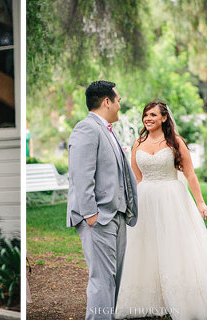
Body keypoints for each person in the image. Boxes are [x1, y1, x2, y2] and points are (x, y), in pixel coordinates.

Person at [115, 101, 207, 320]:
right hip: (146, 198)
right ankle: (149, 298)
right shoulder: (139, 143)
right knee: (146, 246)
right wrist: (134, 203)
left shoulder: (176, 142)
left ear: (164, 118)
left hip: (172, 199)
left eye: (153, 114)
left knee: (175, 246)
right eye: (146, 114)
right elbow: (136, 177)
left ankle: (182, 297)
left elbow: (191, 174)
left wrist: (201, 202)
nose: (148, 118)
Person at [66, 80, 138, 320]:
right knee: (102, 280)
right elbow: (80, 174)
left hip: (115, 215)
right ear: (106, 101)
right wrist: (90, 214)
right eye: (118, 100)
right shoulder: (86, 128)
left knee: (113, 279)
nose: (120, 104)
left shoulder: (106, 129)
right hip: (98, 219)